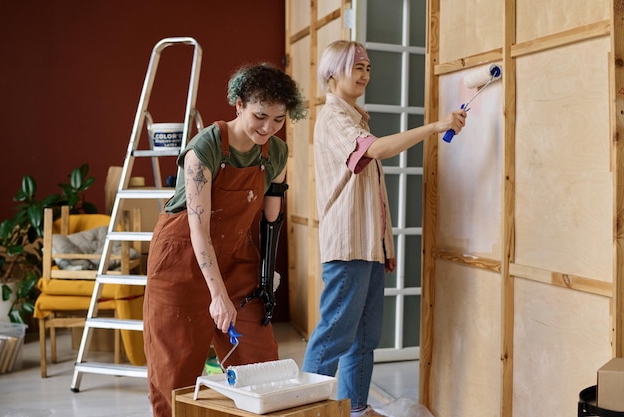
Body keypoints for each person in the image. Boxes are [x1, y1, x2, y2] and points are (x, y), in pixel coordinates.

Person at [301, 40, 467, 417]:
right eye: (356, 66)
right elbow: (376, 151)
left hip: (369, 247)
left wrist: (384, 247)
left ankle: (356, 409)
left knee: (364, 337)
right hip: (348, 247)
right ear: (332, 72)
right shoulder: (335, 118)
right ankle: (306, 412)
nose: (365, 74)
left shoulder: (357, 117)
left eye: (368, 68)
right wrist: (436, 126)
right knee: (333, 337)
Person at [143, 63, 306, 417]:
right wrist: (217, 295)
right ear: (239, 105)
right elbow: (198, 230)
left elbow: (270, 219)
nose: (268, 128)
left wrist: (266, 275)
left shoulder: (276, 153)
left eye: (279, 120)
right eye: (260, 116)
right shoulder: (204, 149)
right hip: (181, 258)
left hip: (236, 255)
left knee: (260, 360)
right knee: (175, 370)